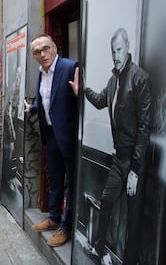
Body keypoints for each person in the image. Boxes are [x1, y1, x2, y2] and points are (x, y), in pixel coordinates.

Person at [70, 28, 151, 264]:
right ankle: (100, 249)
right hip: (118, 159)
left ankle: (129, 260)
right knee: (106, 203)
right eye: (112, 51)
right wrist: (82, 89)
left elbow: (145, 128)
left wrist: (135, 169)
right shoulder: (113, 80)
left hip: (135, 163)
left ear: (127, 47)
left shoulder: (139, 78)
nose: (115, 55)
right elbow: (99, 101)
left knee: (133, 220)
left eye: (119, 49)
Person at [24, 34, 78, 247]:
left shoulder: (70, 67)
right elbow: (50, 98)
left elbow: (76, 100)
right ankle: (54, 218)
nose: (42, 54)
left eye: (46, 48)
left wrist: (79, 93)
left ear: (55, 48)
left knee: (71, 182)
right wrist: (34, 108)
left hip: (69, 136)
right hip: (51, 133)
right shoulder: (41, 71)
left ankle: (66, 227)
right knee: (55, 178)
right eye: (37, 52)